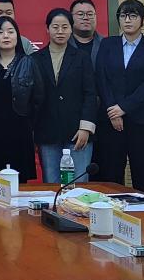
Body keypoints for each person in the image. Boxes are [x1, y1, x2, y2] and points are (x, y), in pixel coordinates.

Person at [95, 0, 144, 196]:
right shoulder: (108, 44)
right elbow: (101, 78)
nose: (127, 20)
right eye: (123, 16)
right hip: (111, 121)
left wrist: (123, 108)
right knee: (111, 176)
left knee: (143, 177)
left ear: (143, 20)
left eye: (133, 16)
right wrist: (113, 110)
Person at [0, 16, 44, 184]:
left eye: (10, 32)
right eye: (0, 32)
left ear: (17, 36)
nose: (6, 36)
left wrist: (32, 127)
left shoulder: (29, 62)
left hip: (19, 133)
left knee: (17, 184)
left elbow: (38, 98)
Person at [32, 9, 96, 183]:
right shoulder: (35, 59)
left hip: (77, 131)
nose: (60, 31)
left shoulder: (82, 57)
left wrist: (86, 128)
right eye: (55, 27)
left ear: (71, 29)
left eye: (65, 27)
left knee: (78, 185)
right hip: (47, 133)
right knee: (52, 184)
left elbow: (90, 93)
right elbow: (33, 100)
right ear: (47, 29)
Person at [69, 0, 103, 67]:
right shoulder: (63, 44)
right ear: (71, 17)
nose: (85, 18)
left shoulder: (105, 44)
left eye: (90, 14)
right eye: (80, 14)